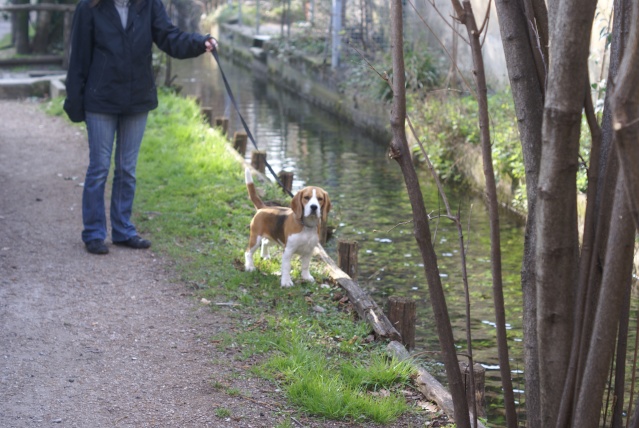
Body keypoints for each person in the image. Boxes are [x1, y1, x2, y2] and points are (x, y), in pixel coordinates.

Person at [63, 0, 216, 255]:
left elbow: (169, 37)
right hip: (100, 99)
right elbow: (78, 58)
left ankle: (123, 230)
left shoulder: (149, 5)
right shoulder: (88, 7)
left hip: (137, 98)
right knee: (99, 167)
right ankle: (94, 233)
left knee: (127, 168)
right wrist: (75, 102)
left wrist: (200, 43)